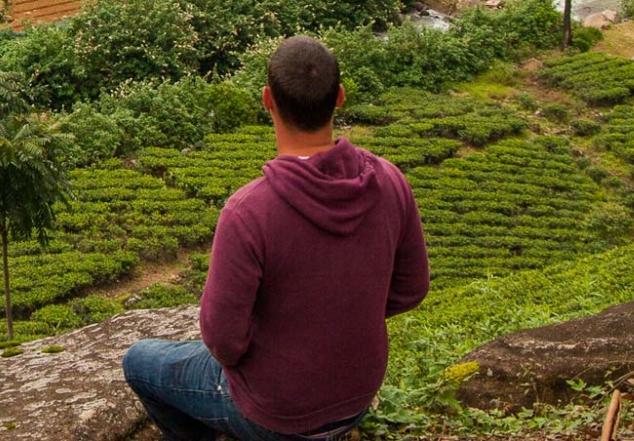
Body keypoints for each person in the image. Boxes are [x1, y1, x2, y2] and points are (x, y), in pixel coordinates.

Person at [122, 35, 430, 441]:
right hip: (357, 393)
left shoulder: (249, 210)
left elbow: (224, 342)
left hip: (277, 412)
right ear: (339, 97)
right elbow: (413, 289)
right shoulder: (390, 180)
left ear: (267, 99)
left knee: (140, 361)